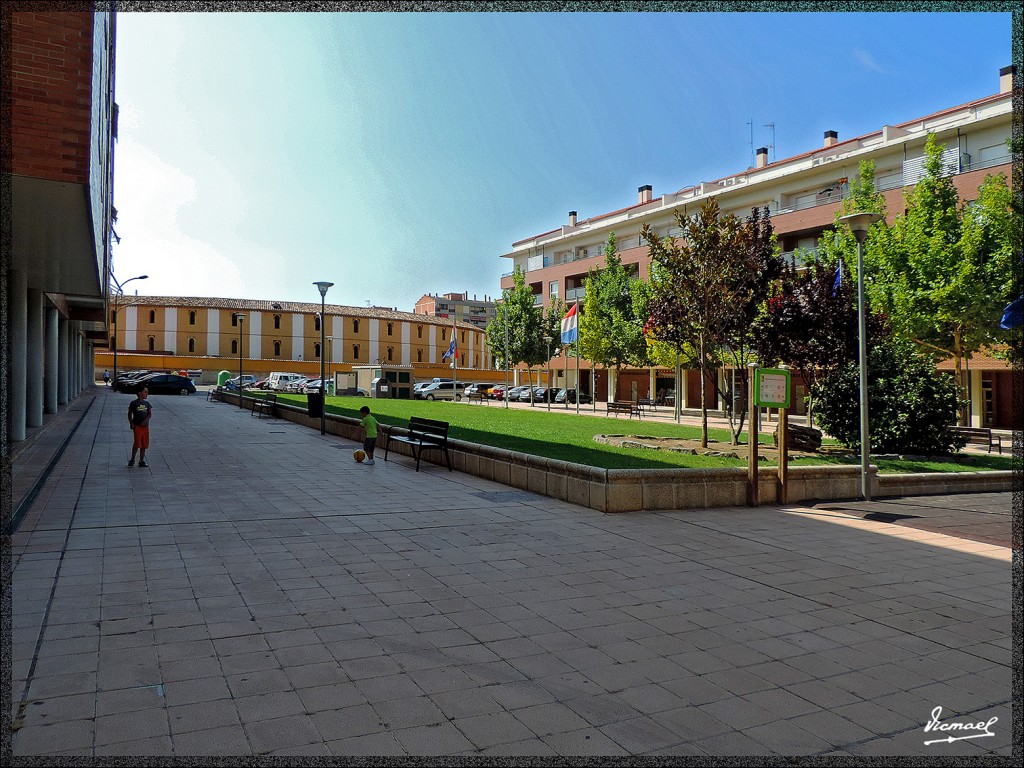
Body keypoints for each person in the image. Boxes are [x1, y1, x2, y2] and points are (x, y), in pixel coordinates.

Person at [127, 387, 153, 468]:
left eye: (147, 392)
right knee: (137, 443)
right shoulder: (134, 403)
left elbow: (149, 414)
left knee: (144, 443)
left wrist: (145, 421)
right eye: (145, 392)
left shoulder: (147, 403)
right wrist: (131, 423)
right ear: (139, 393)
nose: (146, 394)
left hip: (145, 427)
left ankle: (141, 460)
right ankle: (132, 459)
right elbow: (129, 413)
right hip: (137, 426)